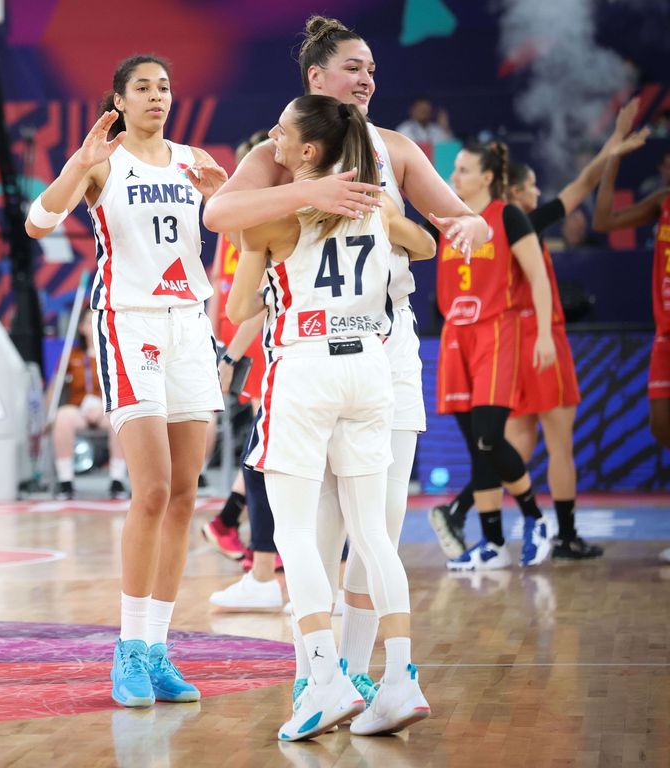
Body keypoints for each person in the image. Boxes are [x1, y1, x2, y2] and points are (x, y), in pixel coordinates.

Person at [205, 15, 493, 711]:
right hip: (308, 347)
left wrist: (466, 223)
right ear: (316, 78)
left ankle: (364, 675)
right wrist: (313, 192)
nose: (367, 79)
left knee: (378, 525)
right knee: (325, 525)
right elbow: (220, 211)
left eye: (371, 69)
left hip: (385, 351)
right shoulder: (286, 150)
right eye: (353, 68)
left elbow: (456, 225)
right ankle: (320, 676)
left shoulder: (394, 148)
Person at [26, 54, 228, 708]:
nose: (156, 96)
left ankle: (158, 650)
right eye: (142, 87)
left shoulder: (194, 159)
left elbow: (235, 227)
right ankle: (127, 646)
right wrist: (76, 166)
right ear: (118, 97)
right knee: (153, 489)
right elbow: (38, 222)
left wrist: (224, 190)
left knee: (185, 495)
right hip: (129, 322)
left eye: (164, 86)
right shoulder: (105, 160)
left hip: (189, 324)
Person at [231, 95, 434, 740]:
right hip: (370, 370)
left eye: (283, 133)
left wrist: (257, 229)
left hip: (307, 367)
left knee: (295, 531)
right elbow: (425, 245)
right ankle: (400, 679)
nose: (272, 137)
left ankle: (324, 681)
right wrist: (386, 214)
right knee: (372, 533)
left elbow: (239, 308)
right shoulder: (375, 201)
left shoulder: (275, 220)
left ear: (309, 152)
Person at [427, 101, 649, 561]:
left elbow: (576, 192)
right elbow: (578, 186)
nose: (539, 192)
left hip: (509, 340)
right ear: (515, 187)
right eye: (533, 186)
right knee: (522, 442)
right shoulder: (484, 217)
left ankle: (501, 518)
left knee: (508, 441)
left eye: (462, 169)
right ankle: (522, 530)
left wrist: (611, 148)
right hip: (494, 340)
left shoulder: (513, 220)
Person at [435, 142, 559, 571]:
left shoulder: (508, 215)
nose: (455, 178)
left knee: (490, 435)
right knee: (476, 446)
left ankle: (536, 518)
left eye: (465, 170)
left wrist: (544, 333)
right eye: (455, 171)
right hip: (456, 335)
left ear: (487, 177)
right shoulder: (446, 218)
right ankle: (491, 541)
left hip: (496, 331)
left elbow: (538, 277)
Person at [201, 131, 271, 564]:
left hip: (242, 335)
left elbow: (216, 282)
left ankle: (234, 524)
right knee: (269, 432)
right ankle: (237, 528)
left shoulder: (244, 216)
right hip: (251, 334)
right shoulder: (246, 219)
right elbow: (219, 282)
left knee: (269, 431)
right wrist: (222, 345)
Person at [592, 137, 670, 453]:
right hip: (665, 330)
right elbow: (603, 220)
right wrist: (613, 158)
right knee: (661, 425)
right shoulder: (663, 201)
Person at [51, 306, 129, 501]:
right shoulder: (73, 355)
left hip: (106, 410)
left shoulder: (114, 355)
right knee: (62, 418)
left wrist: (103, 407)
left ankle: (117, 480)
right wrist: (48, 413)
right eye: (88, 322)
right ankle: (65, 482)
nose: (93, 326)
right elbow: (55, 387)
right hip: (79, 410)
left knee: (119, 419)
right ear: (82, 328)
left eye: (98, 321)